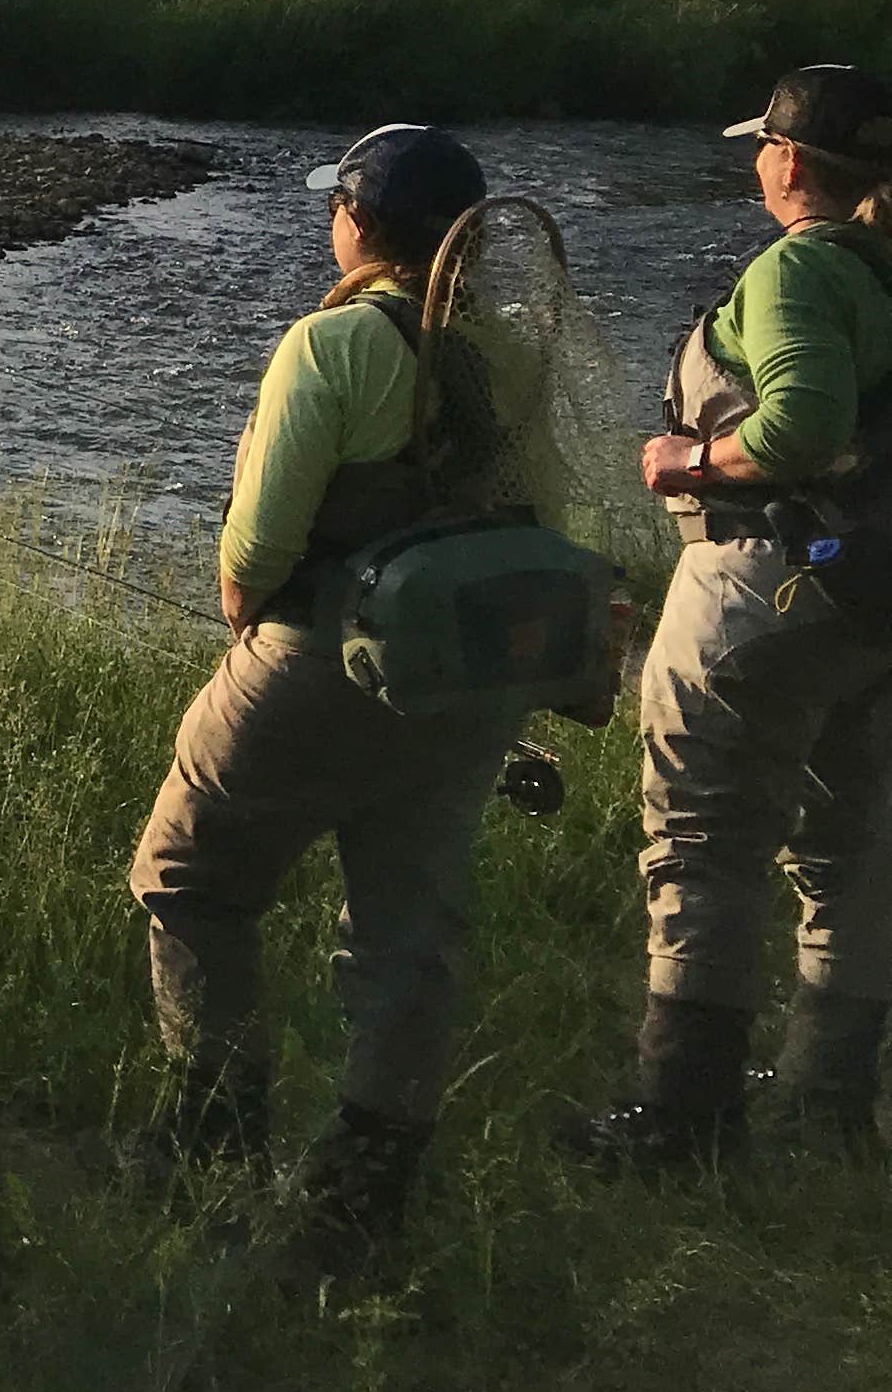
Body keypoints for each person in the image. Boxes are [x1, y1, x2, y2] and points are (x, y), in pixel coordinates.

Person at [127, 124, 552, 1269]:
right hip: (470, 672)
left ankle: (211, 1139)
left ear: (360, 222)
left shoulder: (331, 346)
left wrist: (244, 612)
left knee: (188, 877)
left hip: (325, 659)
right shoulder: (507, 350)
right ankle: (367, 1190)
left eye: (338, 205)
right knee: (409, 930)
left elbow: (255, 554)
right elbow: (542, 508)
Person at [565, 62, 892, 1170]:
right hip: (873, 608)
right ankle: (826, 1106)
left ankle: (679, 1121)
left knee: (704, 845)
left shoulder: (802, 268)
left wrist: (688, 459)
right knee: (853, 851)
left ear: (790, 163)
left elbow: (799, 422)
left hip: (762, 589)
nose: (756, 160)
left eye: (763, 145)